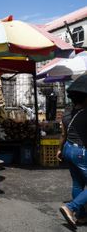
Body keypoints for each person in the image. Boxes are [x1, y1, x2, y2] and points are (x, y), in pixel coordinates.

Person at [57, 74, 87, 229]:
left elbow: (63, 134)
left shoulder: (67, 112)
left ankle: (81, 217)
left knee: (77, 184)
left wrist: (59, 150)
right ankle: (71, 207)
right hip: (81, 152)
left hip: (68, 148)